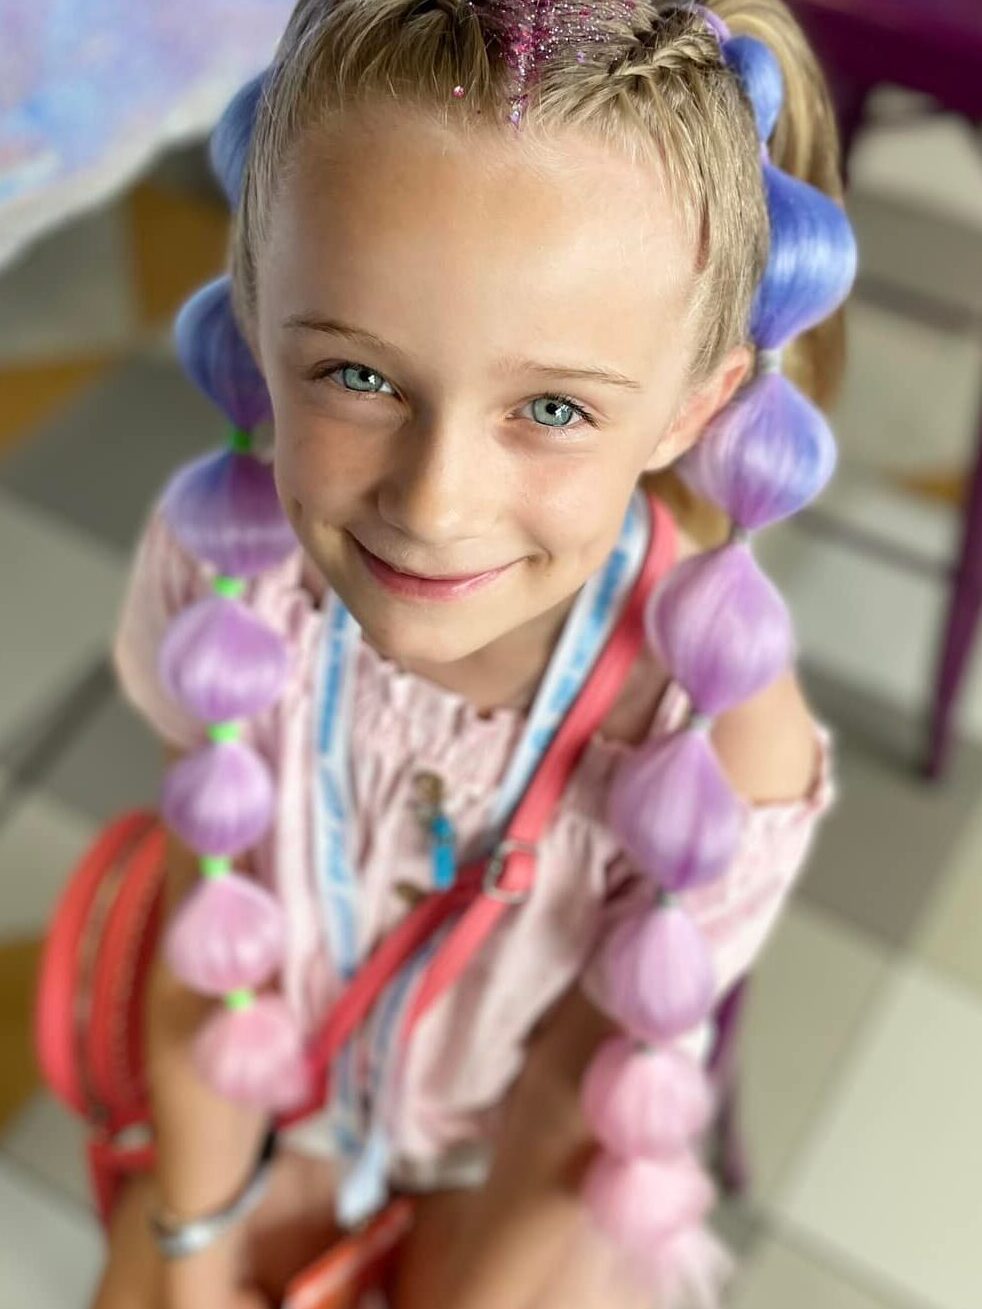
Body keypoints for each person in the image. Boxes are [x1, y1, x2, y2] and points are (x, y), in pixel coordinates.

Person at [88, 0, 856, 1305]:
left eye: (550, 407)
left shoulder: (710, 727)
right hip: (258, 1093)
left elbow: (578, 1077)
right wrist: (194, 1242)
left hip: (514, 1176)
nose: (434, 504)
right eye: (357, 375)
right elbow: (202, 899)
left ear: (696, 403)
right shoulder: (224, 580)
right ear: (258, 305)